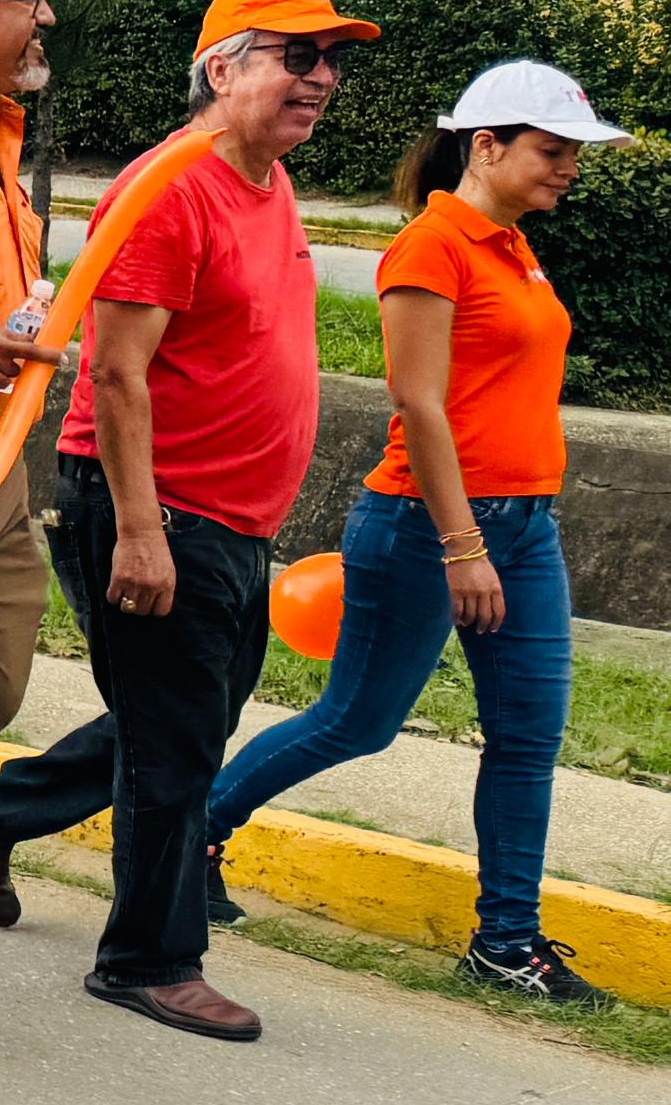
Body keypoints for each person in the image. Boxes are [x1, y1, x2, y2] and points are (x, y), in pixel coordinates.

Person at [0, 0, 367, 1044]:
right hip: (159, 506)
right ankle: (149, 959)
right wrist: (140, 531)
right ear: (220, 67)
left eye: (329, 60)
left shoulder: (263, 178)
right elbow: (117, 373)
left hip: (234, 515)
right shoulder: (170, 187)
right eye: (296, 56)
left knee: (186, 720)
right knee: (176, 746)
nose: (320, 78)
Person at [201, 61, 624, 1005]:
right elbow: (418, 405)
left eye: (574, 153)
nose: (569, 168)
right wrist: (462, 544)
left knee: (528, 738)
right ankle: (191, 837)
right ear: (487, 146)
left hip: (528, 525)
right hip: (426, 525)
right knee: (358, 721)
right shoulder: (433, 247)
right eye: (552, 150)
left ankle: (506, 941)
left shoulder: (514, 248)